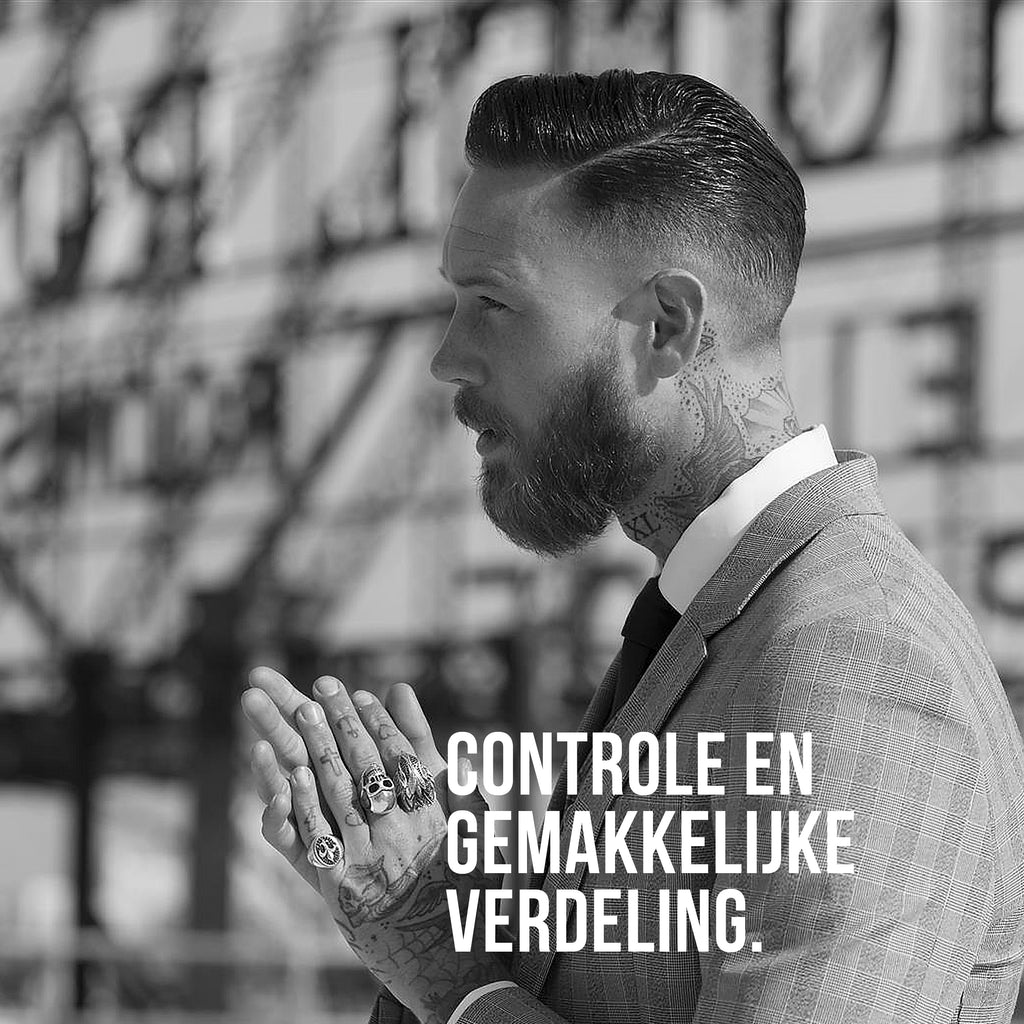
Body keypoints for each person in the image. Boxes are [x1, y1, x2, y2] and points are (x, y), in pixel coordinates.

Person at [240, 70, 1024, 1024]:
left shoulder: (853, 661)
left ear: (666, 327)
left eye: (492, 303)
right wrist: (474, 921)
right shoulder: (720, 626)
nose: (448, 357)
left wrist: (447, 973)